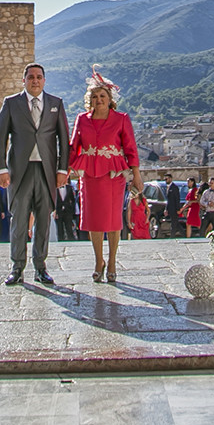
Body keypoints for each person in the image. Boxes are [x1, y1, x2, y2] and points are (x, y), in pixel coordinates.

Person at [0, 61, 70, 285]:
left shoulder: (56, 103)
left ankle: (41, 267)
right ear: (24, 80)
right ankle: (17, 267)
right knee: (18, 220)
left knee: (43, 221)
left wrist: (62, 169)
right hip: (20, 171)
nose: (35, 81)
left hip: (46, 171)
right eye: (31, 77)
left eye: (38, 77)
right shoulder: (11, 104)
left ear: (44, 80)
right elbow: (1, 139)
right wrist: (2, 169)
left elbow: (64, 141)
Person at [68, 69, 142, 284]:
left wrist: (136, 175)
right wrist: (64, 170)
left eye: (102, 96)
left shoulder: (121, 119)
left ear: (110, 99)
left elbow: (130, 148)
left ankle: (111, 261)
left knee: (112, 219)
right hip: (89, 174)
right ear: (89, 99)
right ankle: (98, 260)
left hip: (113, 174)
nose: (98, 100)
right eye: (94, 96)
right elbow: (74, 148)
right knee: (93, 220)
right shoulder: (81, 120)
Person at [55, 175, 78, 241]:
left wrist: (71, 210)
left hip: (67, 211)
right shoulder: (55, 188)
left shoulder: (69, 188)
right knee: (59, 228)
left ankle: (71, 240)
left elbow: (73, 200)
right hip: (58, 211)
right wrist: (55, 211)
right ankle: (60, 240)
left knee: (69, 227)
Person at [164, 172, 183, 238]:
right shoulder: (168, 187)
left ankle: (172, 236)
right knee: (176, 223)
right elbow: (168, 200)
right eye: (165, 179)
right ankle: (184, 234)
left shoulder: (174, 188)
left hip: (174, 209)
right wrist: (166, 209)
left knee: (174, 223)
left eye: (167, 179)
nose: (166, 180)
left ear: (170, 179)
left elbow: (177, 199)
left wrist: (178, 209)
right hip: (170, 209)